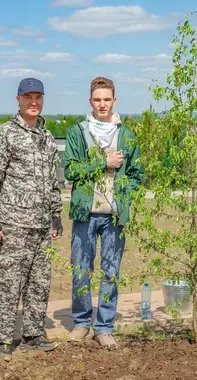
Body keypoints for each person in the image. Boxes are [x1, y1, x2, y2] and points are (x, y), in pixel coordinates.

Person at [0, 77, 64, 358]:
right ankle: (2, 340)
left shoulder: (47, 138)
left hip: (41, 225)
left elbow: (53, 182)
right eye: (28, 97)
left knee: (40, 282)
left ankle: (33, 334)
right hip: (13, 224)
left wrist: (56, 216)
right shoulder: (4, 134)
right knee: (10, 282)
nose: (34, 102)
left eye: (38, 97)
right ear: (18, 100)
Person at [64, 77, 144, 349]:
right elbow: (70, 170)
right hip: (85, 212)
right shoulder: (78, 132)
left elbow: (136, 173)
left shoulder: (127, 135)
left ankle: (104, 327)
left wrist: (124, 195)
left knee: (110, 271)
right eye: (97, 99)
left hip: (113, 216)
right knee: (81, 271)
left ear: (114, 101)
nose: (102, 104)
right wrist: (103, 162)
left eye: (106, 99)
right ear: (90, 102)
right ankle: (81, 323)